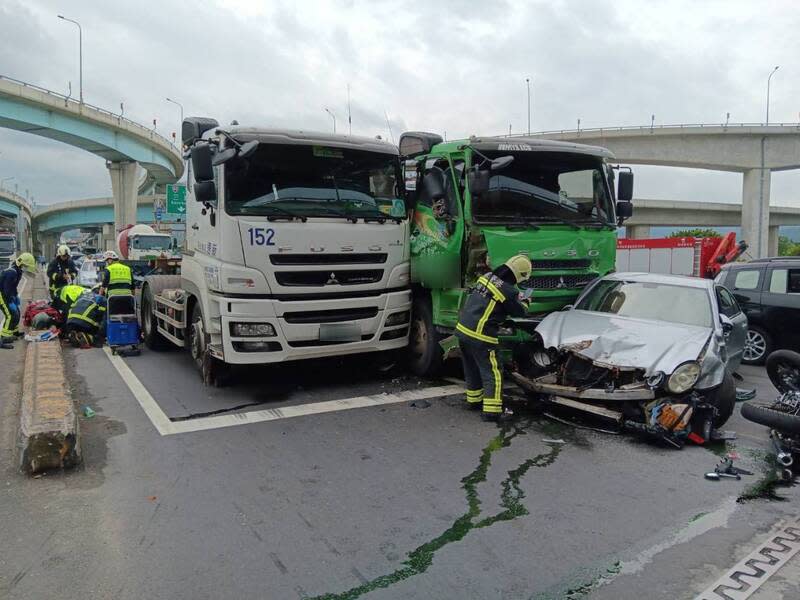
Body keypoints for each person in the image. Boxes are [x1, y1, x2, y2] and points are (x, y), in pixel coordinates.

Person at [455, 255, 532, 422]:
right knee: (493, 371)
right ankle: (492, 411)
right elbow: (519, 311)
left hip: (463, 330)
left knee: (472, 367)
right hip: (481, 335)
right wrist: (526, 301)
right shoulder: (508, 290)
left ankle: (474, 401)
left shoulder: (486, 277)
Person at [0, 253, 37, 347]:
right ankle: (5, 336)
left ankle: (14, 332)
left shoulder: (18, 271)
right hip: (2, 294)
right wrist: (9, 300)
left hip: (8, 293)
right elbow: (6, 289)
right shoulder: (11, 272)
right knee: (10, 315)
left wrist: (15, 296)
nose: (26, 268)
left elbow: (13, 286)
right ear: (21, 264)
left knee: (17, 312)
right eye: (26, 266)